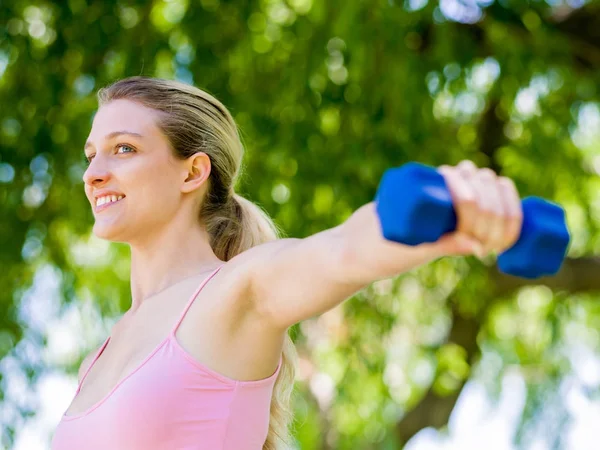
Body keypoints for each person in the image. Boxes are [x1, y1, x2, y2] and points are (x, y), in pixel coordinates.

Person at [50, 76, 522, 450]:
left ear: (192, 171)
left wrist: (449, 204)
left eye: (124, 148)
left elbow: (341, 251)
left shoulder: (237, 291)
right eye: (91, 155)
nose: (93, 174)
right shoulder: (99, 357)